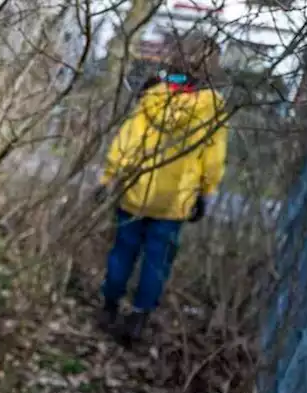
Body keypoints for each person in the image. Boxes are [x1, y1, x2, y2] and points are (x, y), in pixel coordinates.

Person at [96, 33, 228, 342]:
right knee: (156, 261)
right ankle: (139, 318)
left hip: (135, 192)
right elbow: (213, 156)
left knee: (123, 251)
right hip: (174, 202)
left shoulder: (154, 94)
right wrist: (206, 193)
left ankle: (109, 305)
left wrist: (109, 177)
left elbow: (127, 139)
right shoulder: (213, 107)